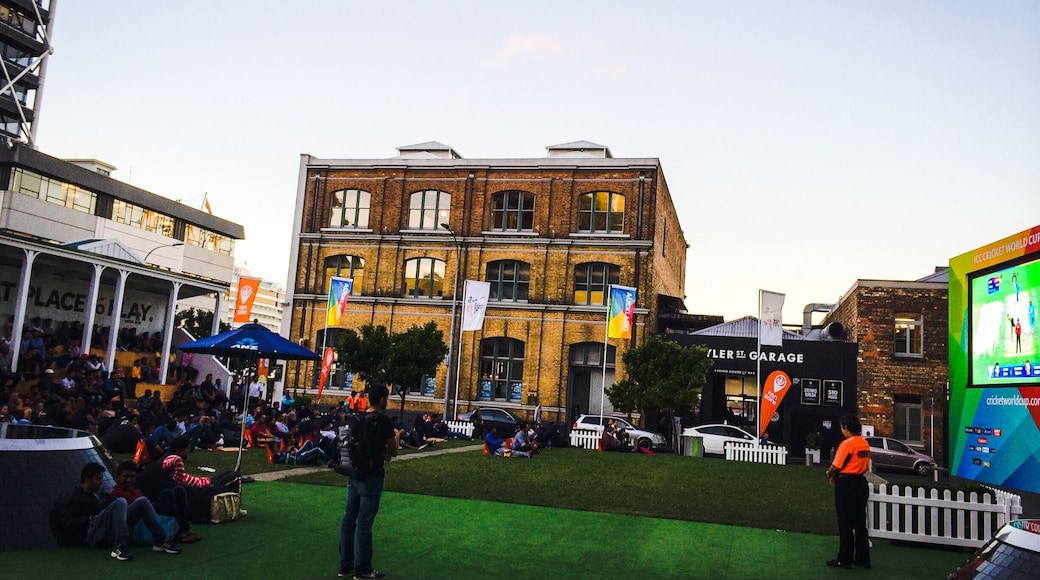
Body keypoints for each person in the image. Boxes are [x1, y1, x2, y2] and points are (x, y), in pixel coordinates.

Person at [55, 462, 181, 561]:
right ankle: (120, 546)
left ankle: (160, 540)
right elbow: (68, 524)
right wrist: (90, 518)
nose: (100, 483)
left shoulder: (101, 495)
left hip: (107, 530)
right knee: (120, 502)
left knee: (142, 501)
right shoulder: (74, 497)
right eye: (97, 479)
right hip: (92, 534)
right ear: (87, 479)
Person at [338, 383, 397, 579]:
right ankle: (363, 568)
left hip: (353, 474)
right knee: (364, 523)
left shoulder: (359, 419)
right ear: (381, 399)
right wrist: (396, 438)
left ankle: (346, 564)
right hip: (371, 476)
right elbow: (393, 452)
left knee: (349, 519)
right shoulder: (383, 421)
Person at [825, 414, 871, 569]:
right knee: (859, 523)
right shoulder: (864, 443)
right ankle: (863, 558)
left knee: (845, 523)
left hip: (846, 484)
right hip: (861, 483)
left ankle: (844, 559)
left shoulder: (847, 444)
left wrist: (829, 474)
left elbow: (836, 466)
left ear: (846, 427)